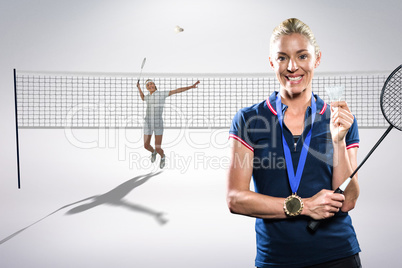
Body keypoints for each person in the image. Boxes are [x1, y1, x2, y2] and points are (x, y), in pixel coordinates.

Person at [227, 18, 361, 267]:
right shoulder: (249, 120)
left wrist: (339, 142)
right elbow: (235, 199)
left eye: (302, 56)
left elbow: (349, 201)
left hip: (337, 255)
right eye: (281, 58)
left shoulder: (340, 118)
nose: (292, 67)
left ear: (317, 59)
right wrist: (305, 206)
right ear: (271, 62)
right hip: (276, 259)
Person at [136, 79, 200, 169]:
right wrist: (139, 88)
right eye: (148, 85)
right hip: (148, 123)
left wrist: (191, 87)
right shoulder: (147, 97)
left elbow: (177, 90)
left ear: (154, 85)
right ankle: (153, 152)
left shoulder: (162, 94)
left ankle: (162, 157)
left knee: (158, 148)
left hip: (158, 123)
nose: (150, 86)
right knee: (146, 146)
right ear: (147, 88)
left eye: (151, 84)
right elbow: (143, 98)